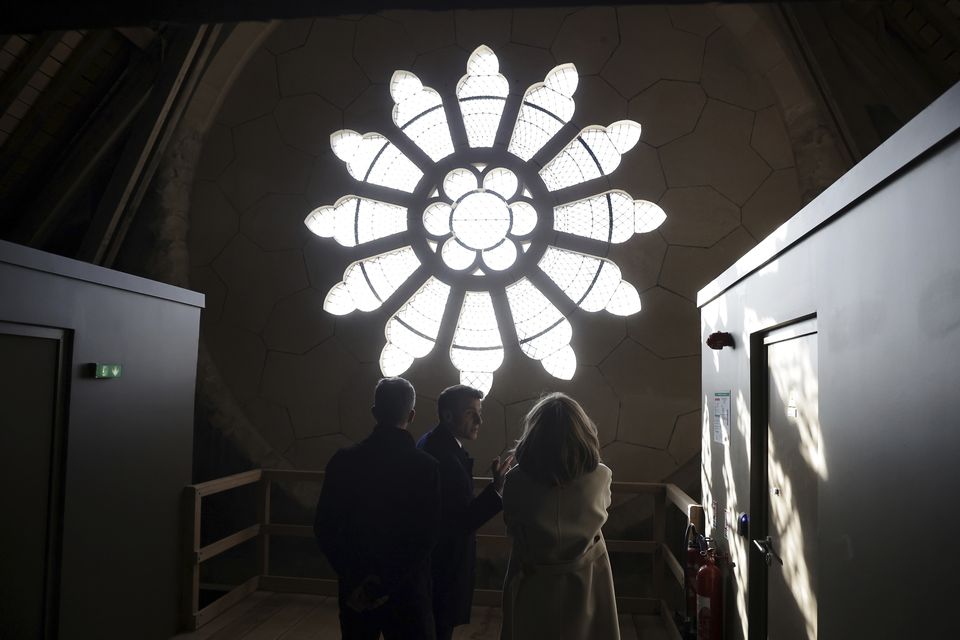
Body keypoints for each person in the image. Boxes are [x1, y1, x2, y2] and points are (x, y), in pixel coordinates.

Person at [314, 377, 440, 640]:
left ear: (374, 412)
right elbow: (425, 536)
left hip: (355, 591)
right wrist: (385, 583)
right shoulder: (425, 467)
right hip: (407, 592)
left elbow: (325, 528)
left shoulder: (344, 461)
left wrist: (356, 579)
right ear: (412, 415)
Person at [500, 392, 619, 640]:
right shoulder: (601, 477)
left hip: (532, 582)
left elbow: (511, 522)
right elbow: (603, 510)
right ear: (583, 431)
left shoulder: (515, 480)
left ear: (534, 432)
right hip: (586, 581)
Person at [416, 384, 512, 640]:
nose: (480, 420)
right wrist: (497, 489)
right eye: (471, 413)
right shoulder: (445, 458)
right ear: (448, 415)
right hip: (443, 566)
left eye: (479, 412)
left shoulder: (431, 442)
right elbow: (460, 521)